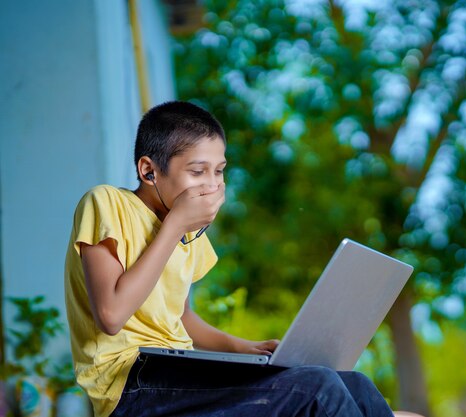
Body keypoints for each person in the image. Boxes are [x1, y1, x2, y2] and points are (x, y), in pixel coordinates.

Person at [64, 101, 396, 417]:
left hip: (179, 370)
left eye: (219, 171)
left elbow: (179, 318)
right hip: (129, 385)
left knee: (357, 386)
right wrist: (175, 224)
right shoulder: (107, 203)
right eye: (197, 172)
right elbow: (111, 315)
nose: (212, 185)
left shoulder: (185, 230)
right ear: (149, 171)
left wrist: (245, 349)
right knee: (316, 389)